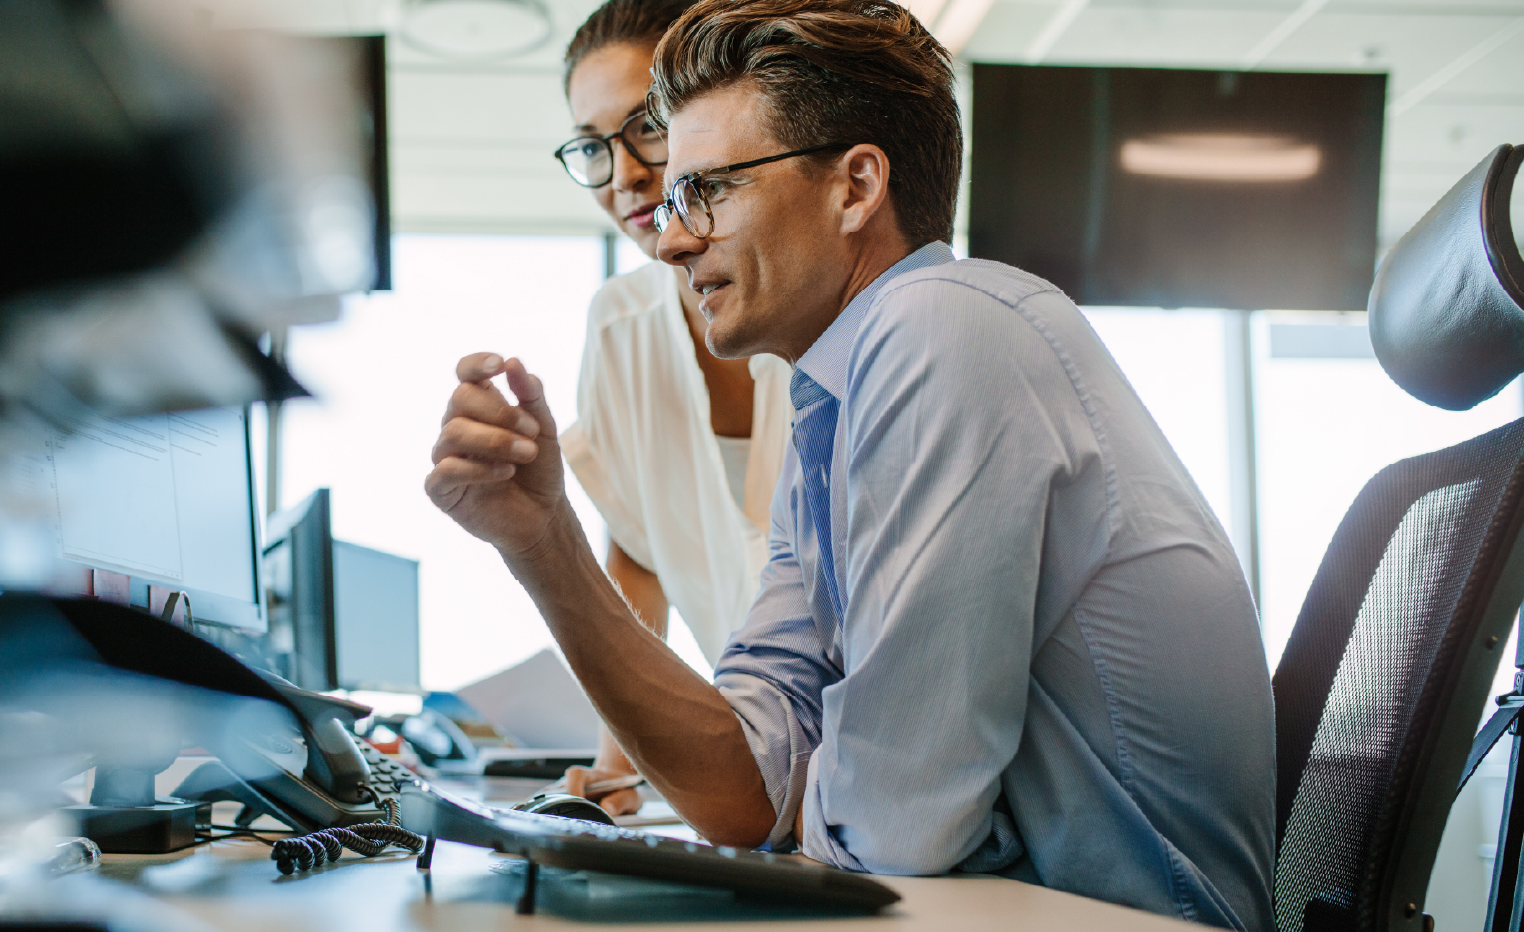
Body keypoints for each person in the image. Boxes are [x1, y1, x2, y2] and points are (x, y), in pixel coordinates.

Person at [425, 1, 1276, 929]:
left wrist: (804, 797)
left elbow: (893, 828)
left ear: (855, 186)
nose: (669, 238)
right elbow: (745, 790)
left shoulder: (944, 329)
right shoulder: (827, 411)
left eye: (706, 189)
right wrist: (542, 543)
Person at [552, 0, 794, 816]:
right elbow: (639, 553)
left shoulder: (822, 299)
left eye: (648, 125)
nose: (623, 174)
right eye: (592, 146)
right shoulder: (620, 327)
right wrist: (616, 768)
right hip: (760, 774)